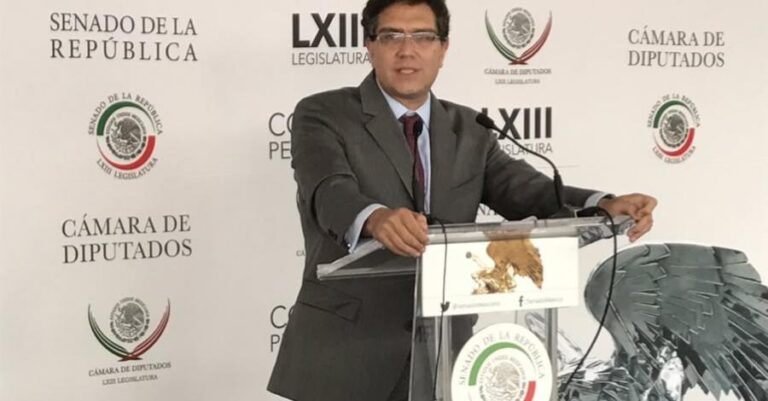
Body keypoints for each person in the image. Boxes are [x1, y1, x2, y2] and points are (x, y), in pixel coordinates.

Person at [267, 1, 657, 400]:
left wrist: (601, 204)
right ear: (370, 45)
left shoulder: (471, 128)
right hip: (344, 357)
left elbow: (530, 192)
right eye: (391, 36)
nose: (407, 50)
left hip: (445, 357)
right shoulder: (323, 113)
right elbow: (329, 191)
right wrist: (375, 218)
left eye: (423, 37)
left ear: (443, 48)